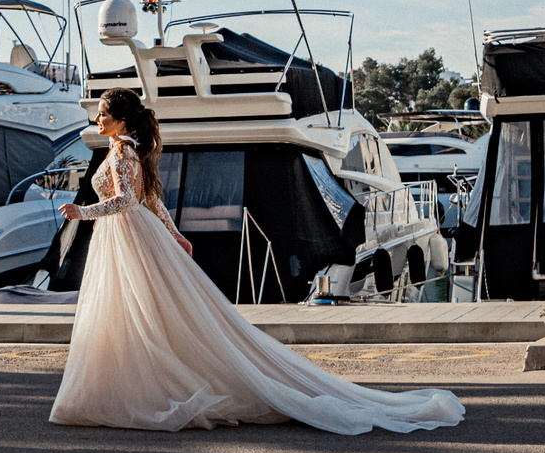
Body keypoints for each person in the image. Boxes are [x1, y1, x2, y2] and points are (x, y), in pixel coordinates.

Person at [49, 86, 463, 435]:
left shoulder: (122, 153)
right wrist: (174, 233)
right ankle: (129, 385)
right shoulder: (125, 149)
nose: (98, 119)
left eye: (103, 114)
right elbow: (151, 199)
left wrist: (81, 212)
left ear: (120, 121)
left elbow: (126, 201)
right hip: (133, 236)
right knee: (136, 311)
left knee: (135, 311)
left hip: (128, 235)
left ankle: (130, 390)